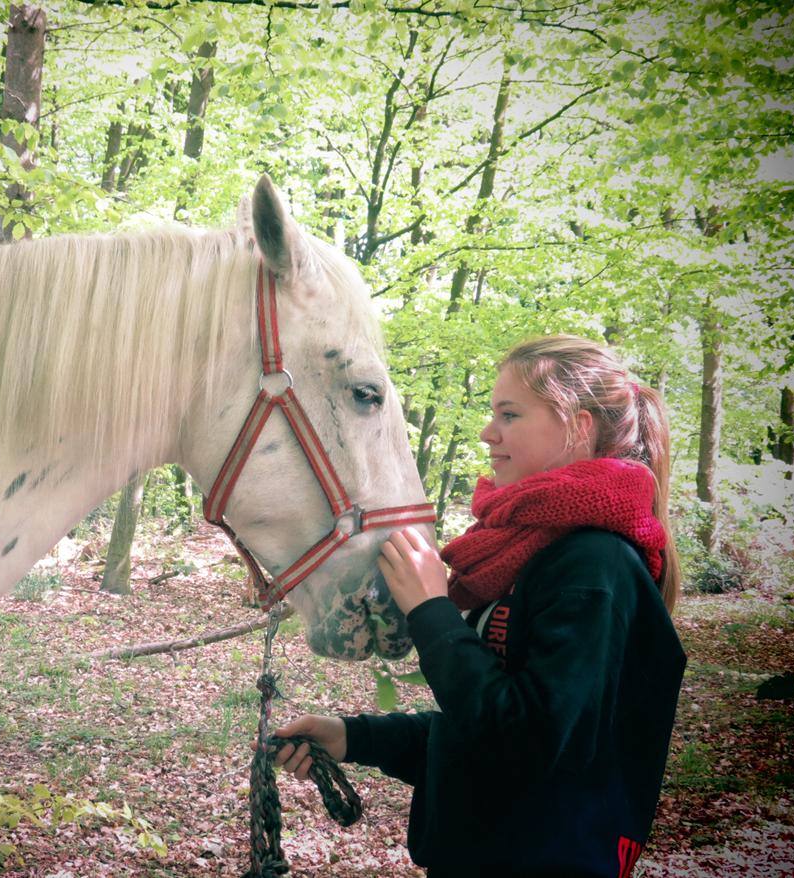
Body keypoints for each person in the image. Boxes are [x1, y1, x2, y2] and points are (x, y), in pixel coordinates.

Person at [273, 335, 686, 878]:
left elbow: (528, 743)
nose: (489, 433)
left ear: (579, 427)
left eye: (509, 415)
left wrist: (431, 611)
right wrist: (354, 736)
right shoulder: (533, 553)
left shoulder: (595, 566)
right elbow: (481, 729)